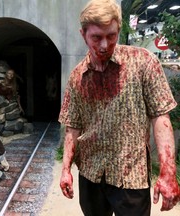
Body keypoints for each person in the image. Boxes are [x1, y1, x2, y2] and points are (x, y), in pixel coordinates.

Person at [58, 0, 180, 215]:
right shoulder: (77, 77)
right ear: (83, 34)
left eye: (111, 36)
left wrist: (168, 172)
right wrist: (65, 169)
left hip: (131, 174)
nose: (104, 45)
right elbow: (72, 127)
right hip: (91, 172)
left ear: (118, 30)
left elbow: (161, 117)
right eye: (96, 37)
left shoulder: (143, 62)